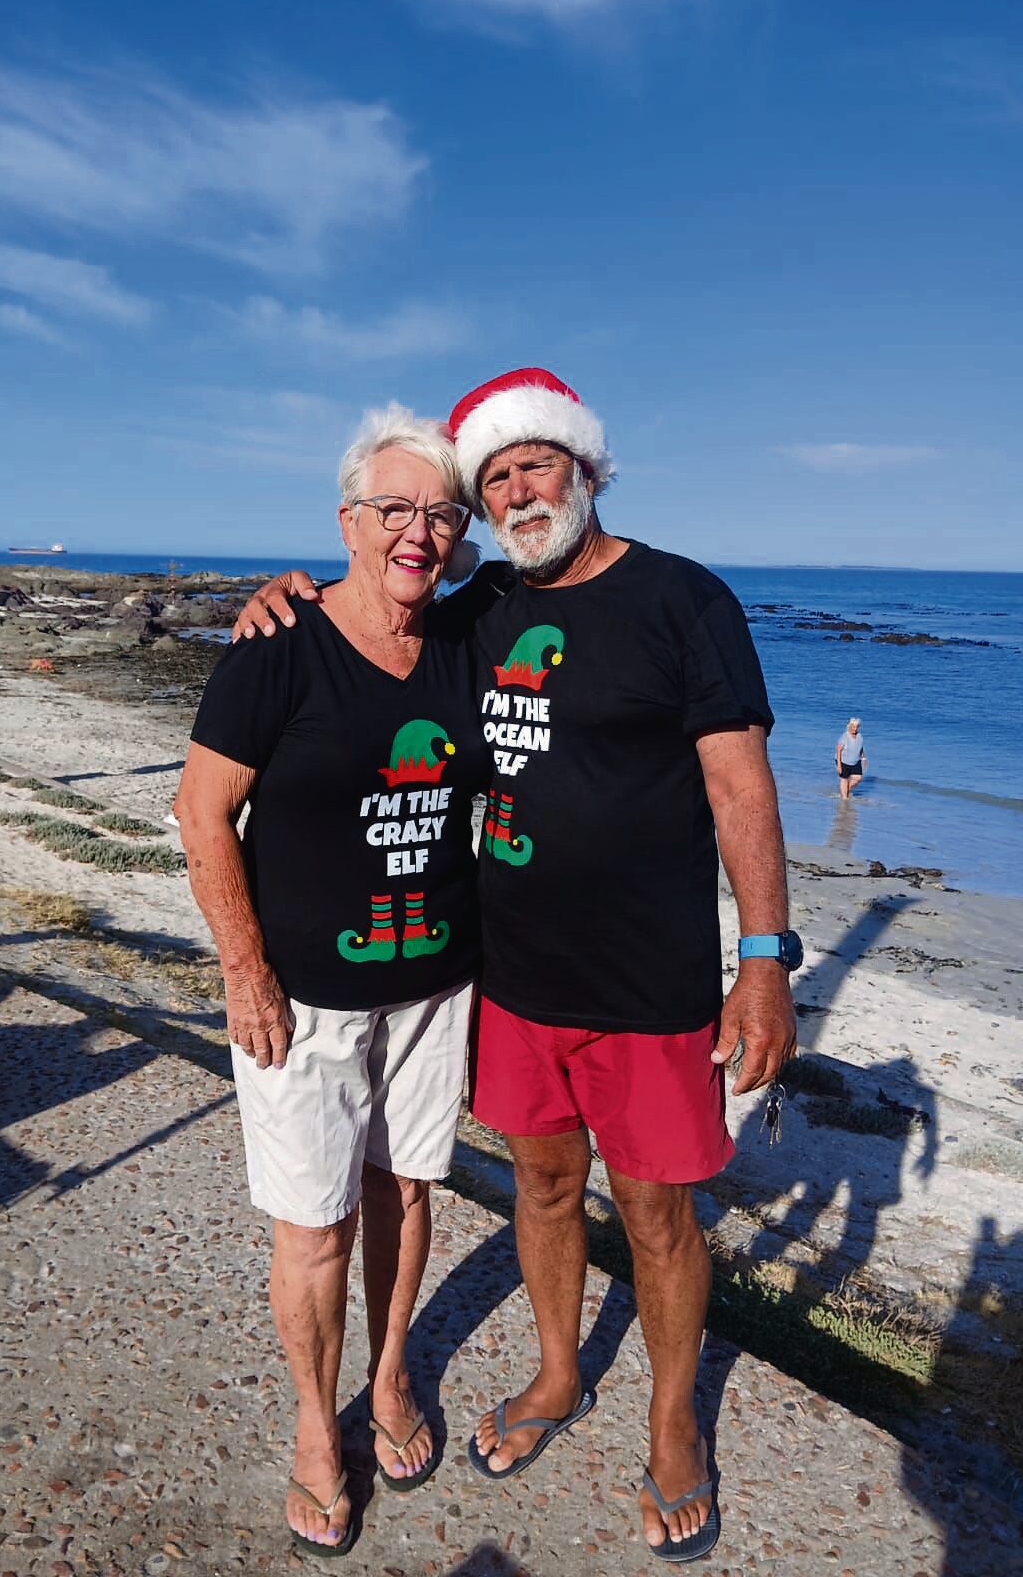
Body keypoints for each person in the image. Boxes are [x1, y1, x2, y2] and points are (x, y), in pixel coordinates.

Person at [235, 368, 800, 1563]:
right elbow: (366, 608)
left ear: (586, 469)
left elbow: (740, 782)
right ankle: (556, 1375)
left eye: (536, 464)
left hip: (650, 983)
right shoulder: (479, 602)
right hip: (513, 980)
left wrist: (762, 959)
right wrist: (277, 595)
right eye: (493, 478)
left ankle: (670, 1420)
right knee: (544, 1188)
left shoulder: (684, 599)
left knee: (656, 1211)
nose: (515, 490)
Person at [176, 407, 488, 1559]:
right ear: (350, 520)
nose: (419, 531)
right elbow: (200, 812)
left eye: (440, 513)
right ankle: (318, 1428)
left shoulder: (462, 640)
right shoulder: (276, 645)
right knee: (316, 1225)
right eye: (395, 509)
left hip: (434, 986)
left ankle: (393, 1372)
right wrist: (244, 972)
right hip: (301, 995)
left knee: (407, 1193)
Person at [835, 716, 867, 797]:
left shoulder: (860, 736)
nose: (855, 728)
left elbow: (860, 747)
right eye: (853, 726)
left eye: (856, 726)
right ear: (849, 726)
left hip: (856, 761)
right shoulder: (845, 736)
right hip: (843, 761)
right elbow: (838, 750)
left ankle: (845, 790)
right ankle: (844, 798)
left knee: (858, 778)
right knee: (844, 779)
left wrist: (863, 758)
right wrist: (839, 765)